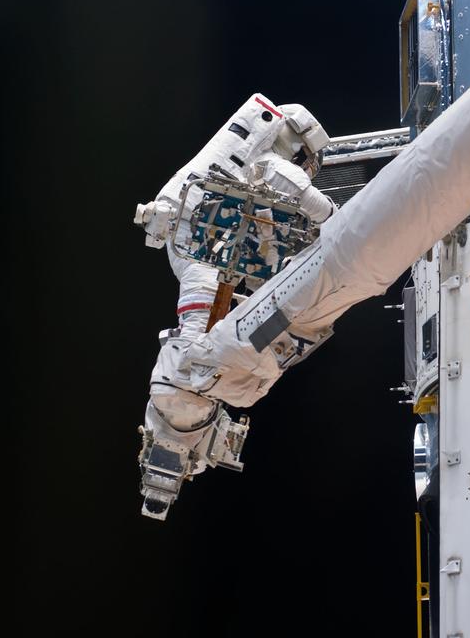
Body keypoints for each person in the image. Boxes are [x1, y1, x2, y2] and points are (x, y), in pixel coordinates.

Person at [132, 92, 336, 518]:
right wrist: (329, 215)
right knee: (217, 348)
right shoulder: (269, 165)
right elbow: (279, 176)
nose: (308, 169)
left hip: (206, 256)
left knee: (223, 347)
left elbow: (267, 247)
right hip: (200, 251)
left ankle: (185, 413)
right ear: (296, 145)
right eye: (308, 159)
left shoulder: (259, 176)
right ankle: (189, 400)